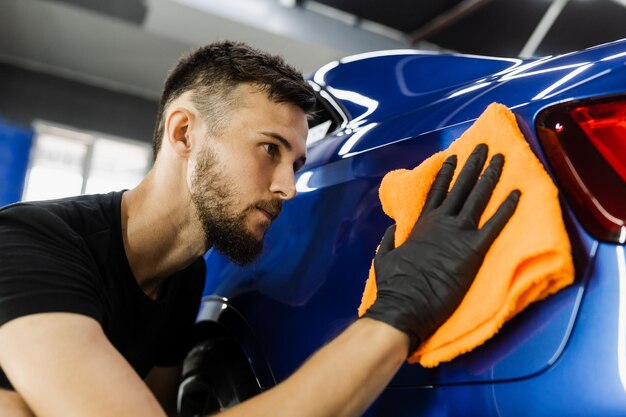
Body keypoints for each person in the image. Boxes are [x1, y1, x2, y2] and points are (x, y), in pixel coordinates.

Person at [0, 41, 520, 417]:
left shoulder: (183, 283)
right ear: (184, 133)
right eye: (269, 150)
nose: (288, 188)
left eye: (294, 162)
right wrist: (396, 314)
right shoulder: (29, 243)